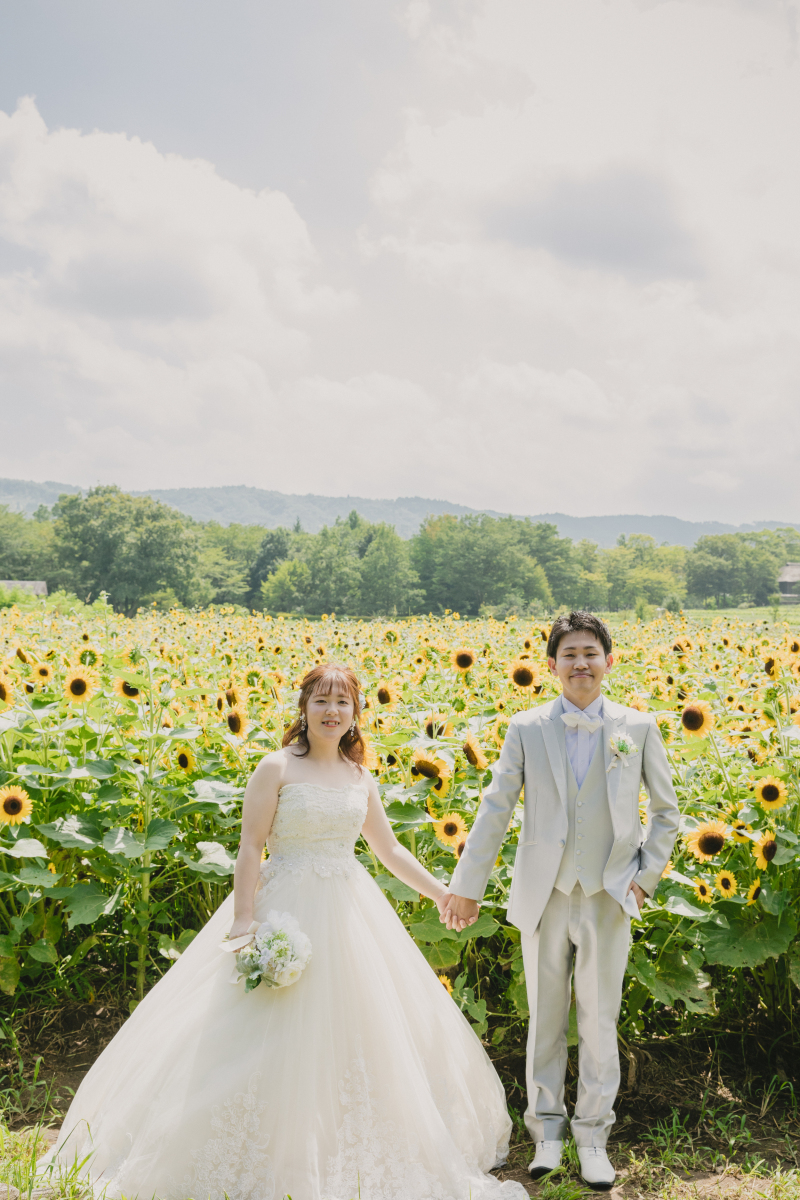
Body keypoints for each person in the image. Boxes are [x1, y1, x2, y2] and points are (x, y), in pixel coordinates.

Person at [46, 662, 527, 1200]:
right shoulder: (275, 767)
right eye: (321, 700)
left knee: (355, 1032)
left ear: (355, 715)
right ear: (304, 708)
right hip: (284, 906)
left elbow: (388, 851)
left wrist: (441, 893)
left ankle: (335, 1151)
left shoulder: (358, 777)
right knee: (256, 1028)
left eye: (342, 703)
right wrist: (245, 918)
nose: (331, 711)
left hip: (348, 909)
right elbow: (252, 846)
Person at [442, 612, 679, 1191]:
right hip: (543, 892)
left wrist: (643, 880)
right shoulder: (526, 727)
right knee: (546, 1017)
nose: (581, 663)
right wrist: (467, 885)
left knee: (600, 1017)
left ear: (608, 661)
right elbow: (496, 808)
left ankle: (593, 1134)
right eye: (569, 653)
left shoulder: (638, 726)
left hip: (609, 892)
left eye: (590, 653)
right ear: (551, 666)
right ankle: (546, 1131)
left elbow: (668, 814)